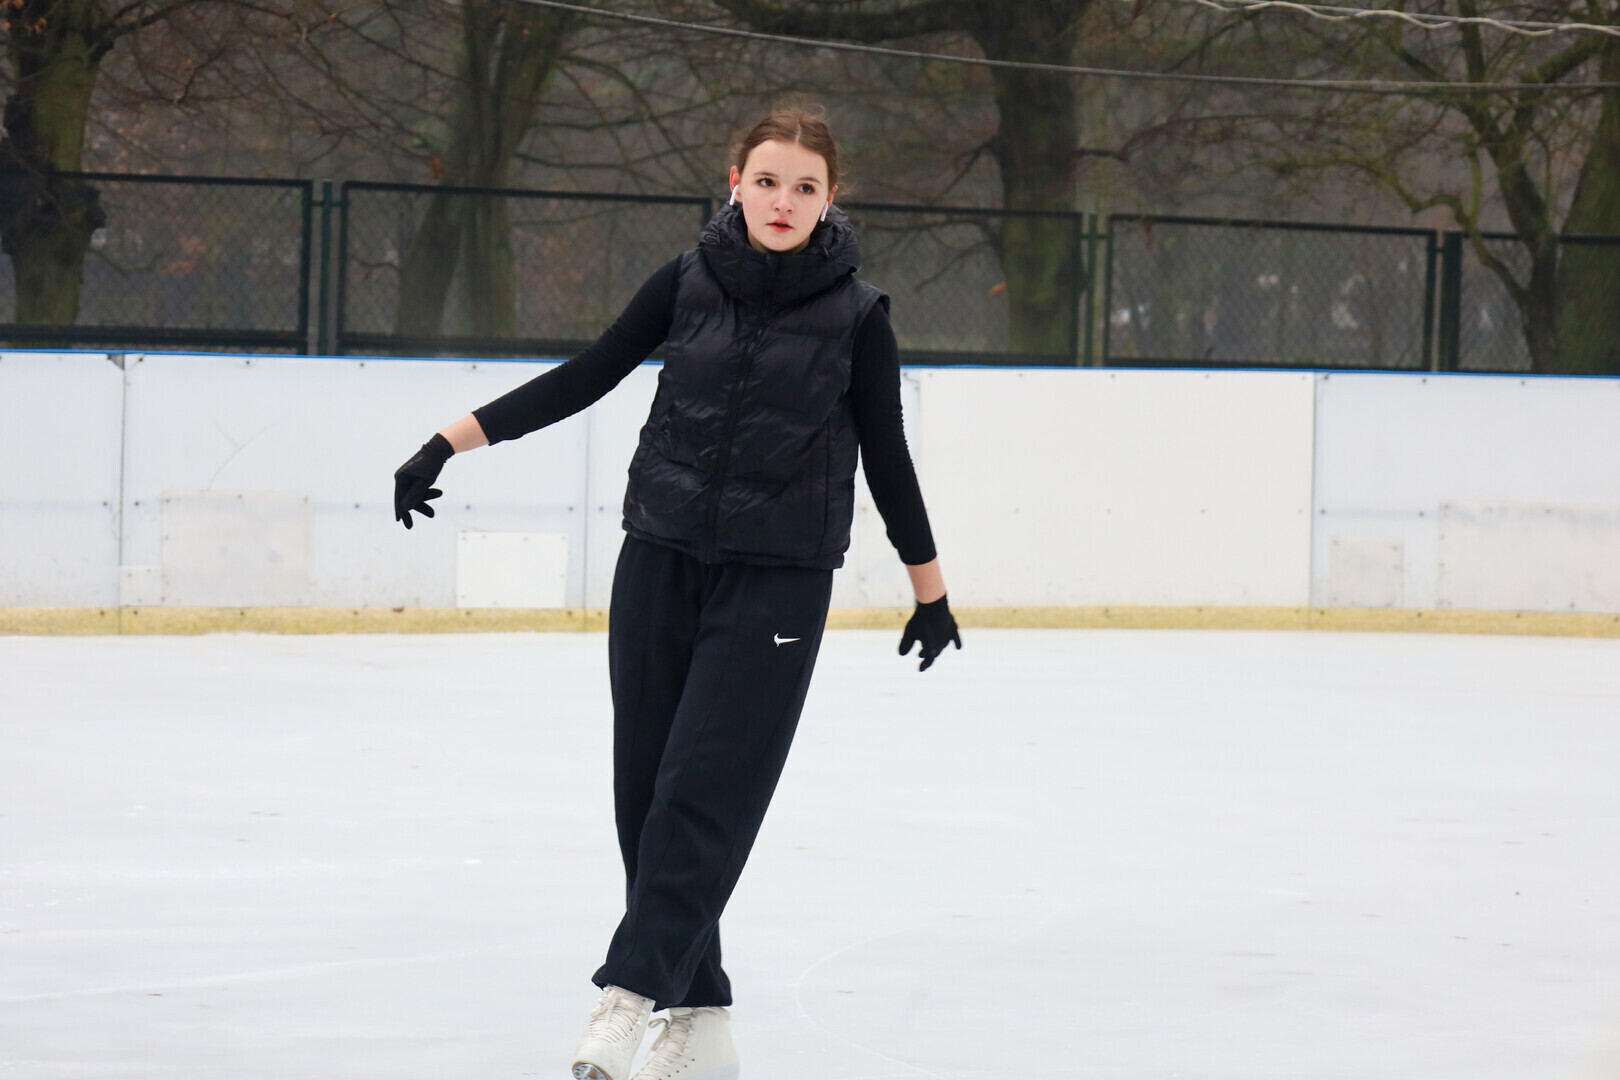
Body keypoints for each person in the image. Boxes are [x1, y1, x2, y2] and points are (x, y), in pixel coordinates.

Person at [392, 103, 961, 1080]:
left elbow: (888, 457)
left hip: (777, 583)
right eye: (768, 180)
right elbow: (588, 374)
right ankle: (702, 1019)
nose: (784, 201)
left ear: (832, 202)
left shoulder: (859, 318)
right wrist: (449, 440)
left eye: (806, 187)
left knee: (705, 789)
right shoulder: (689, 283)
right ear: (733, 181)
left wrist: (930, 592)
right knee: (646, 792)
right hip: (659, 555)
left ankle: (629, 993)